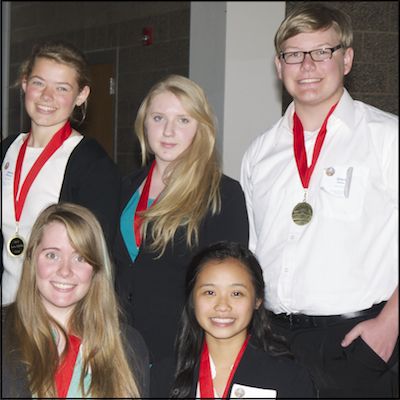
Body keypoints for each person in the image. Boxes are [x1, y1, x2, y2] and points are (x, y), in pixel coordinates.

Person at [240, 3, 398, 398]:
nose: (307, 66)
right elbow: (253, 248)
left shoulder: (386, 138)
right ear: (279, 67)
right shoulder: (260, 152)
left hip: (358, 341)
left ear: (346, 59)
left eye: (321, 52)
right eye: (294, 54)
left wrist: (390, 324)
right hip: (273, 341)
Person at [114, 74, 249, 365]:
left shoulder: (223, 194)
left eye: (183, 120)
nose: (168, 131)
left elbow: (230, 285)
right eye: (159, 118)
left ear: (201, 128)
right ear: (144, 123)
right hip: (121, 347)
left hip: (183, 353)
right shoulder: (124, 187)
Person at [1, 40, 121, 305]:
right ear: (24, 84)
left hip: (57, 314)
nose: (47, 96)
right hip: (7, 309)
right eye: (38, 83)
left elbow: (94, 257)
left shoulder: (93, 166)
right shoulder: (7, 150)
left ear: (81, 95)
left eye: (62, 88)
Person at [1, 202, 149, 398]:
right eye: (52, 255)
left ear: (96, 268)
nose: (65, 271)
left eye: (80, 258)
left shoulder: (128, 346)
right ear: (32, 259)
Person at [150, 241, 316, 398]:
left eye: (236, 294)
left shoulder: (289, 377)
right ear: (192, 299)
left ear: (257, 299)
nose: (223, 306)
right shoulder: (164, 375)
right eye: (210, 292)